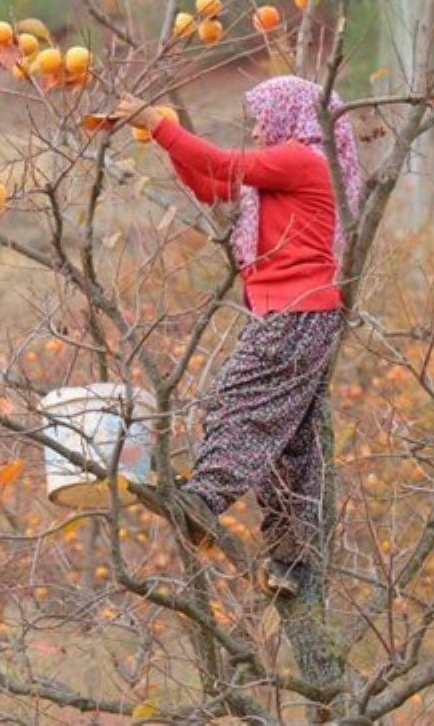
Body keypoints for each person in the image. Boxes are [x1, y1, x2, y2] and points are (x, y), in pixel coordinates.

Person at [113, 76, 362, 599]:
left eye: (258, 116)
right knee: (293, 445)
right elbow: (211, 186)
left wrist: (158, 125)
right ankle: (293, 563)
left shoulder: (301, 159)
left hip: (295, 312)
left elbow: (224, 165)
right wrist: (171, 137)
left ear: (289, 114)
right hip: (296, 313)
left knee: (235, 396)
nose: (253, 127)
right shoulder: (283, 169)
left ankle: (206, 497)